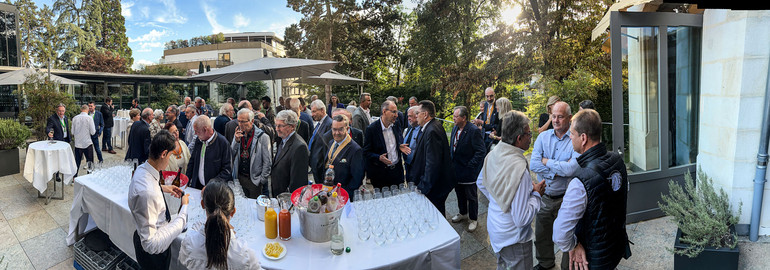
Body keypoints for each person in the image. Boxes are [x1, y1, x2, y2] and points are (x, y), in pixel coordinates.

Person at [553, 109, 631, 270]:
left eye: (572, 134)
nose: (569, 137)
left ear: (583, 138)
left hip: (591, 260)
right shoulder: (618, 160)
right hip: (614, 249)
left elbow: (560, 233)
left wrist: (574, 245)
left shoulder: (580, 180)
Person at [478, 110, 546, 270]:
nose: (531, 137)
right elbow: (521, 219)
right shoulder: (519, 168)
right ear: (519, 138)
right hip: (514, 239)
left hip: (495, 228)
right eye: (529, 134)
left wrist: (500, 201)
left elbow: (481, 182)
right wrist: (536, 194)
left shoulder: (493, 154)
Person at [129, 130, 189, 269]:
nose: (169, 160)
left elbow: (148, 186)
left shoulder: (143, 169)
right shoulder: (147, 192)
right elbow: (150, 245)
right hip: (153, 254)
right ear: (163, 154)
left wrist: (163, 188)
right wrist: (183, 212)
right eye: (170, 156)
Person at [530, 101, 580, 270]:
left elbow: (572, 168)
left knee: (568, 237)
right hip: (544, 196)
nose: (556, 120)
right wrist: (558, 169)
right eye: (553, 116)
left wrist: (547, 161)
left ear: (570, 118)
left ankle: (568, 267)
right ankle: (545, 263)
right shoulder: (543, 137)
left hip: (566, 198)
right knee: (542, 234)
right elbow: (534, 164)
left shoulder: (575, 138)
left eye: (560, 117)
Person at [180, 180, 261, 270]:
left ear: (202, 204)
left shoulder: (189, 243)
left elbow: (183, 260)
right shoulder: (245, 255)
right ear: (233, 211)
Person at [411, 100, 455, 215]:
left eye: (418, 113)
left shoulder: (432, 131)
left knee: (435, 216)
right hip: (436, 185)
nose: (416, 116)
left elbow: (433, 163)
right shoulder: (433, 126)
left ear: (425, 114)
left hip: (435, 188)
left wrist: (423, 186)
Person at [449, 106, 486, 232]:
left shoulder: (473, 130)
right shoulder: (455, 128)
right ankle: (463, 213)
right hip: (456, 169)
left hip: (468, 171)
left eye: (456, 116)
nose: (453, 118)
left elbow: (481, 151)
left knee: (471, 196)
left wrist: (471, 165)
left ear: (464, 118)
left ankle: (473, 219)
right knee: (459, 193)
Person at [364, 100, 406, 188]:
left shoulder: (396, 125)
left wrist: (399, 146)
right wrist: (378, 157)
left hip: (397, 172)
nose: (396, 115)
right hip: (380, 175)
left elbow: (397, 141)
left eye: (397, 112)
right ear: (384, 111)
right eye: (393, 112)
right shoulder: (372, 129)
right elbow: (366, 152)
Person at [231, 109, 272, 199]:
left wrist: (261, 180)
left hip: (254, 180)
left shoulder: (263, 137)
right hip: (240, 178)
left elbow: (267, 162)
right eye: (238, 121)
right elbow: (231, 154)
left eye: (243, 122)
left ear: (252, 121)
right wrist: (236, 141)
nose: (240, 124)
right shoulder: (238, 134)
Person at [187, 115, 232, 190]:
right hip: (197, 186)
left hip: (213, 190)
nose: (195, 134)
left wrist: (211, 185)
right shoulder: (199, 140)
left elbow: (227, 170)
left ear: (205, 129)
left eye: (197, 131)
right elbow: (192, 160)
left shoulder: (223, 143)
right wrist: (187, 180)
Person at [271, 110, 309, 197]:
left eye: (280, 126)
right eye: (276, 125)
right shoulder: (283, 139)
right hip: (279, 194)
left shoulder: (299, 147)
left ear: (292, 127)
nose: (277, 129)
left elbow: (298, 182)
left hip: (287, 199)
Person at [326, 115, 364, 197]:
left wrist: (343, 195)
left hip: (343, 196)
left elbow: (357, 179)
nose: (336, 133)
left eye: (340, 129)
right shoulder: (331, 143)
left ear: (347, 129)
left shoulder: (355, 150)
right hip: (329, 191)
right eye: (334, 129)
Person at [309, 100, 333, 183]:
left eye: (314, 111)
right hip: (315, 166)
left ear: (322, 110)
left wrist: (321, 166)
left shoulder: (329, 124)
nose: (312, 115)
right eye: (312, 112)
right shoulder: (319, 124)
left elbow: (328, 149)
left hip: (321, 168)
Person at [72, 104, 96, 176]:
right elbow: (93, 132)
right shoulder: (89, 118)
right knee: (90, 162)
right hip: (87, 143)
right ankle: (89, 177)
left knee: (77, 162)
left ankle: (74, 178)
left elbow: (72, 132)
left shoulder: (75, 118)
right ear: (87, 110)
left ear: (80, 110)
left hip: (78, 144)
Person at [402, 106, 421, 183]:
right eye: (408, 116)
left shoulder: (423, 130)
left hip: (417, 167)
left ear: (417, 116)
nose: (408, 118)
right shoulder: (410, 127)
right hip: (407, 164)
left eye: (410, 116)